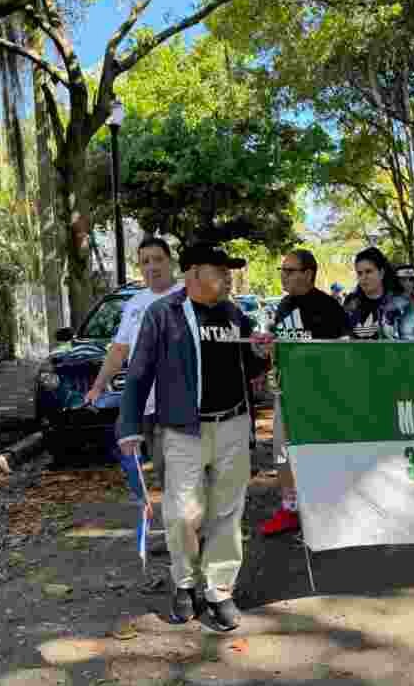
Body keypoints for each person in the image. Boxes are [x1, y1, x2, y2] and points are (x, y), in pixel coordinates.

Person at [117, 243, 266, 631]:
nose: (229, 276)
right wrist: (128, 425)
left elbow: (250, 364)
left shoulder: (235, 313)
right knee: (182, 514)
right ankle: (185, 583)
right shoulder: (162, 313)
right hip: (183, 430)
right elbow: (139, 372)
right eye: (222, 270)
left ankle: (219, 590)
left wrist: (260, 352)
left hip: (232, 424)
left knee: (226, 512)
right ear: (196, 273)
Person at [258, 250, 351, 536]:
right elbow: (278, 343)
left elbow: (346, 352)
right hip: (287, 393)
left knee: (321, 453)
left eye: (289, 270)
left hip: (321, 394)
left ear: (308, 274)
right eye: (282, 270)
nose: (283, 275)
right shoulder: (284, 305)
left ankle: (331, 509)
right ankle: (290, 509)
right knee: (283, 453)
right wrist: (265, 347)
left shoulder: (330, 307)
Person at [87, 238, 182, 467]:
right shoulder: (135, 304)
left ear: (170, 262)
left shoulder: (189, 295)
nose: (152, 267)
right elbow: (119, 350)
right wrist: (98, 387)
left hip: (184, 406)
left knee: (185, 477)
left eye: (158, 259)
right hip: (148, 406)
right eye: (145, 262)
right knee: (165, 473)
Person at [344, 248, 414, 340]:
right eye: (359, 273)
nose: (363, 277)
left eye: (369, 271)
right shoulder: (352, 306)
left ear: (381, 273)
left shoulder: (403, 305)